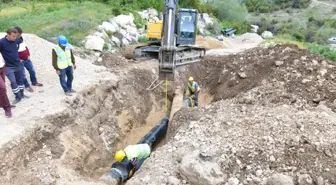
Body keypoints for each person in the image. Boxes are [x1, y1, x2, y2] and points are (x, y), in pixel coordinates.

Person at [0, 28, 26, 104]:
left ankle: (22, 94)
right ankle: (17, 97)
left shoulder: (16, 40)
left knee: (20, 81)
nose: (15, 38)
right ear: (8, 35)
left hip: (18, 64)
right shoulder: (2, 42)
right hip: (8, 67)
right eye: (13, 36)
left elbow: (20, 39)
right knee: (13, 82)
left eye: (16, 36)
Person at [15, 26, 43, 92]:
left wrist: (28, 54)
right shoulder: (13, 42)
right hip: (20, 61)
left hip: (27, 59)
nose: (19, 36)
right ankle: (27, 85)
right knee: (22, 74)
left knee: (32, 71)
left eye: (20, 34)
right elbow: (13, 53)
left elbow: (25, 47)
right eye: (18, 35)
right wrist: (18, 59)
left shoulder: (21, 39)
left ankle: (34, 82)